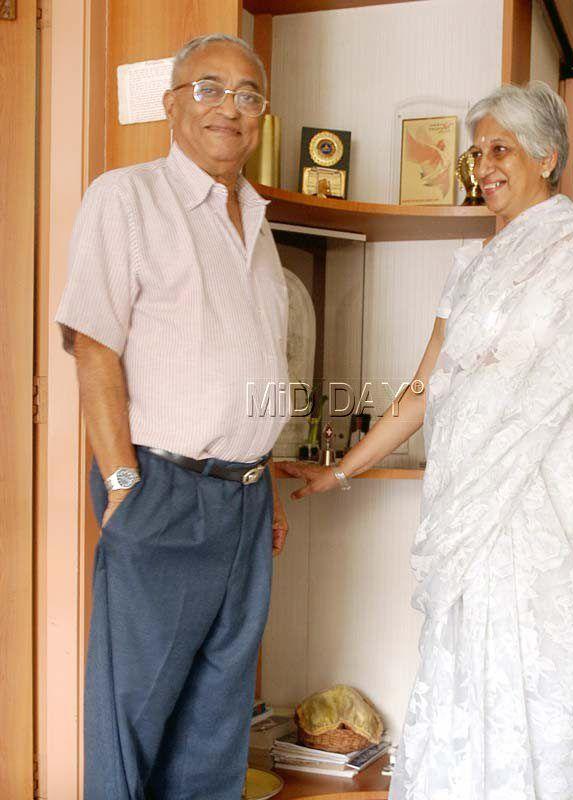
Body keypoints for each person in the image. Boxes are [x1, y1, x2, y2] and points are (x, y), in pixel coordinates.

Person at [278, 82, 573, 799]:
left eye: (502, 149)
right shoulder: (472, 268)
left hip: (562, 504)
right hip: (472, 502)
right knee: (466, 668)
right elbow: (423, 389)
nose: (483, 165)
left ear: (548, 157)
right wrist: (344, 471)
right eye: (477, 151)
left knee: (554, 676)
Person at [56, 33, 290, 800]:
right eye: (209, 88)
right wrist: (123, 482)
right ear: (171, 104)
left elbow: (256, 369)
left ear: (262, 115)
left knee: (219, 716)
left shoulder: (259, 224)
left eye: (248, 94)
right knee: (135, 714)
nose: (230, 108)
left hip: (247, 504)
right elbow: (95, 349)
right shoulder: (125, 197)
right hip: (163, 489)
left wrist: (268, 487)